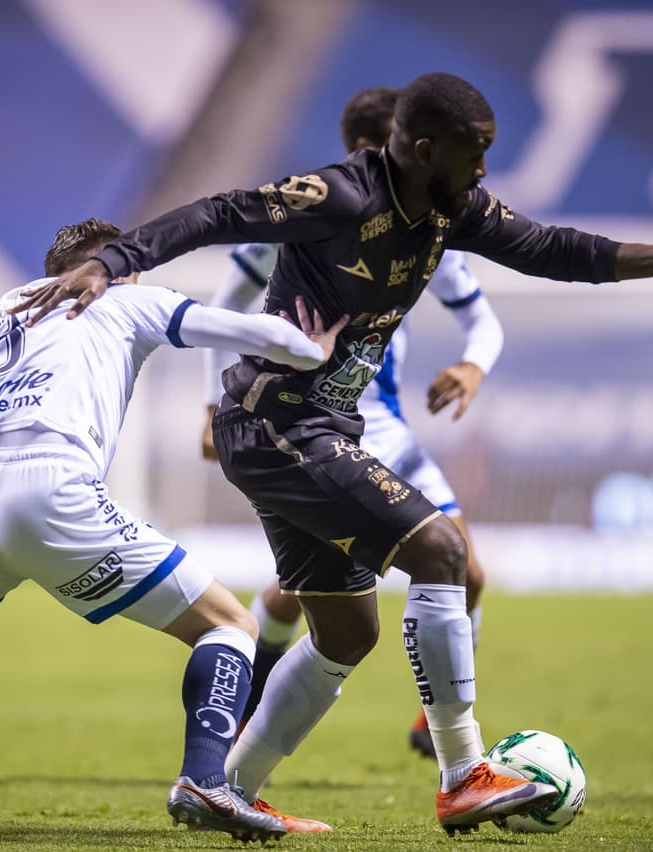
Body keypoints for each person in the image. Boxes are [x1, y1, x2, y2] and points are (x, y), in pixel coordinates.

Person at [12, 72, 653, 835]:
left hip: (312, 427)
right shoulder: (340, 196)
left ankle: (222, 788)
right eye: (475, 153)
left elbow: (549, 247)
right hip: (276, 422)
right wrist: (114, 260)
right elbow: (219, 214)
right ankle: (463, 774)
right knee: (441, 551)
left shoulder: (451, 207)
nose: (484, 171)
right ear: (424, 150)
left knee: (348, 633)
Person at [0, 218, 351, 842]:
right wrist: (313, 349)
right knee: (230, 624)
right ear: (113, 263)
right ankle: (206, 780)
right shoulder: (125, 296)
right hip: (53, 487)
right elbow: (244, 329)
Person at [199, 86, 502, 765]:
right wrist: (206, 406)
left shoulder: (436, 221)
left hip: (380, 424)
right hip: (302, 421)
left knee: (459, 566)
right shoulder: (317, 213)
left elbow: (485, 315)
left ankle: (442, 733)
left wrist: (473, 366)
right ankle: (247, 722)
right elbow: (227, 303)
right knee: (303, 597)